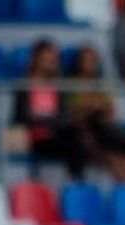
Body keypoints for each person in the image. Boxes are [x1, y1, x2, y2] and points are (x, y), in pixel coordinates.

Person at [68, 44, 125, 184]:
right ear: (79, 63)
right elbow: (74, 115)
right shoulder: (69, 86)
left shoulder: (100, 86)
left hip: (103, 129)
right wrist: (91, 109)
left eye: (93, 60)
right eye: (87, 60)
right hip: (86, 132)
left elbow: (110, 113)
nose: (91, 65)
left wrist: (96, 108)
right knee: (113, 154)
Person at [14, 40, 86, 179]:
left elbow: (63, 113)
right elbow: (20, 117)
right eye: (47, 60)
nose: (52, 63)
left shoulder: (58, 86)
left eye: (54, 60)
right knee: (73, 140)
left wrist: (53, 121)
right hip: (35, 136)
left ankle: (76, 182)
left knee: (77, 136)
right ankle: (76, 181)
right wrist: (46, 120)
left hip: (56, 133)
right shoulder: (24, 86)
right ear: (37, 60)